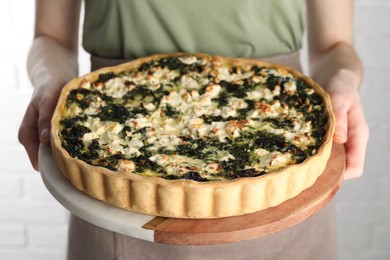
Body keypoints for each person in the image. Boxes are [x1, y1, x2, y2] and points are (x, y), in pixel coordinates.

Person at [19, 0, 369, 259]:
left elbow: (334, 47)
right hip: (117, 154)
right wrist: (48, 80)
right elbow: (50, 38)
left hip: (283, 143)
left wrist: (343, 81)